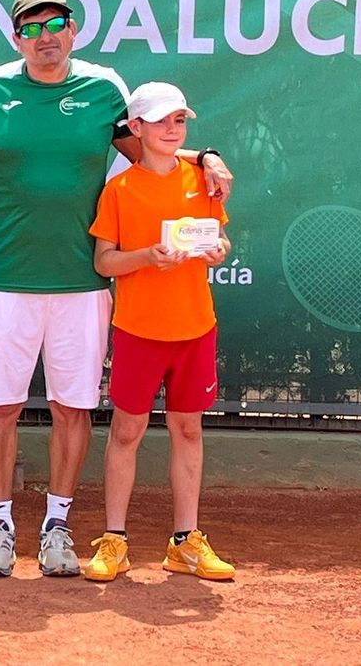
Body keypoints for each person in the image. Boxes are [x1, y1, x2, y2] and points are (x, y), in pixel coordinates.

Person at [0, 0, 233, 578]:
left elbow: (154, 152)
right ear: (17, 39)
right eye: (31, 28)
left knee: (71, 409)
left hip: (82, 285)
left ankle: (58, 524)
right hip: (5, 283)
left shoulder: (104, 89)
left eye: (56, 24)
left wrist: (204, 155)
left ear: (74, 30)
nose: (45, 36)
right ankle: (1, 527)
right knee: (0, 409)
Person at [82, 81, 235, 582]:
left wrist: (219, 251)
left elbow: (219, 240)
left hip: (195, 328)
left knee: (188, 430)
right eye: (162, 121)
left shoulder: (203, 180)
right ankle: (115, 540)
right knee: (126, 432)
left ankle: (185, 542)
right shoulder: (119, 190)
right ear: (137, 128)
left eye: (180, 121)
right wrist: (147, 257)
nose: (173, 129)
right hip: (137, 331)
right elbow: (104, 260)